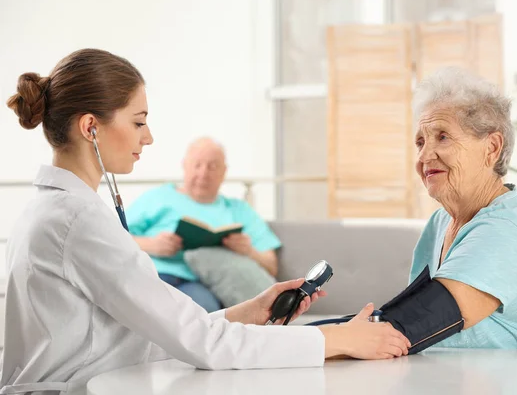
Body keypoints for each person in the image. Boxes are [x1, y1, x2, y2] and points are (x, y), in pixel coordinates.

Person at [0, 49, 411, 395]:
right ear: (90, 127)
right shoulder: (76, 220)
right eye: (139, 121)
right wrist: (336, 340)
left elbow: (144, 337)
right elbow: (203, 345)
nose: (149, 137)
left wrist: (245, 313)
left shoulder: (55, 210)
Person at [405, 67, 517, 352]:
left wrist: (318, 340)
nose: (425, 155)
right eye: (420, 142)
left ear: (491, 148)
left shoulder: (505, 232)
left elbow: (411, 327)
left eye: (442, 137)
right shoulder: (440, 222)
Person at [127, 137, 280, 312]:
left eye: (212, 166)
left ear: (224, 172)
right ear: (184, 166)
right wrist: (152, 245)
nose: (203, 173)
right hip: (154, 275)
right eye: (197, 165)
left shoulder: (239, 210)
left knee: (205, 314)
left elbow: (271, 265)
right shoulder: (157, 198)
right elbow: (115, 237)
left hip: (195, 285)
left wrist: (248, 252)